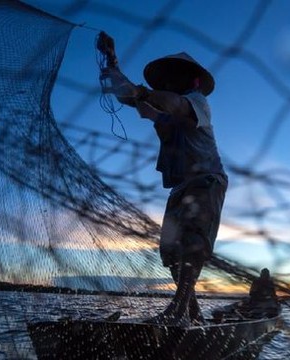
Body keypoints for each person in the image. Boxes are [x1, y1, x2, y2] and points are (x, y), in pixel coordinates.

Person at [101, 52, 227, 326]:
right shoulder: (165, 112)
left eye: (175, 77)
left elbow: (172, 103)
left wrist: (141, 91)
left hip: (207, 180)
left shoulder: (197, 103)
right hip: (181, 186)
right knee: (171, 252)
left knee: (193, 242)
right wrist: (114, 68)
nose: (169, 82)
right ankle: (192, 315)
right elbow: (140, 103)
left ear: (192, 81)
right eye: (166, 79)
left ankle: (178, 311)